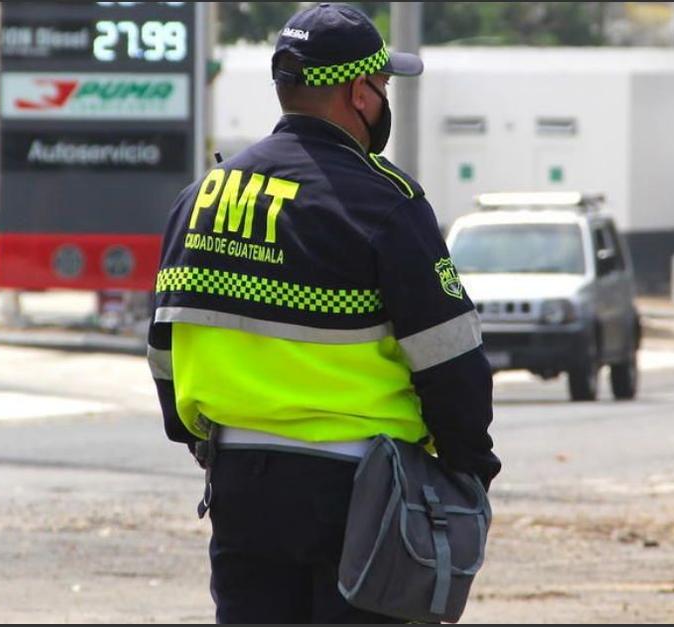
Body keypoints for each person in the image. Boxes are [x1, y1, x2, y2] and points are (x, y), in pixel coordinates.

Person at [146, 3, 500, 623]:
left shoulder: (200, 198)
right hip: (362, 490)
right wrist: (469, 469)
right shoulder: (384, 202)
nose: (384, 99)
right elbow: (451, 360)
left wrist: (204, 444)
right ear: (359, 92)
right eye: (384, 85)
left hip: (241, 484)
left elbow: (164, 350)